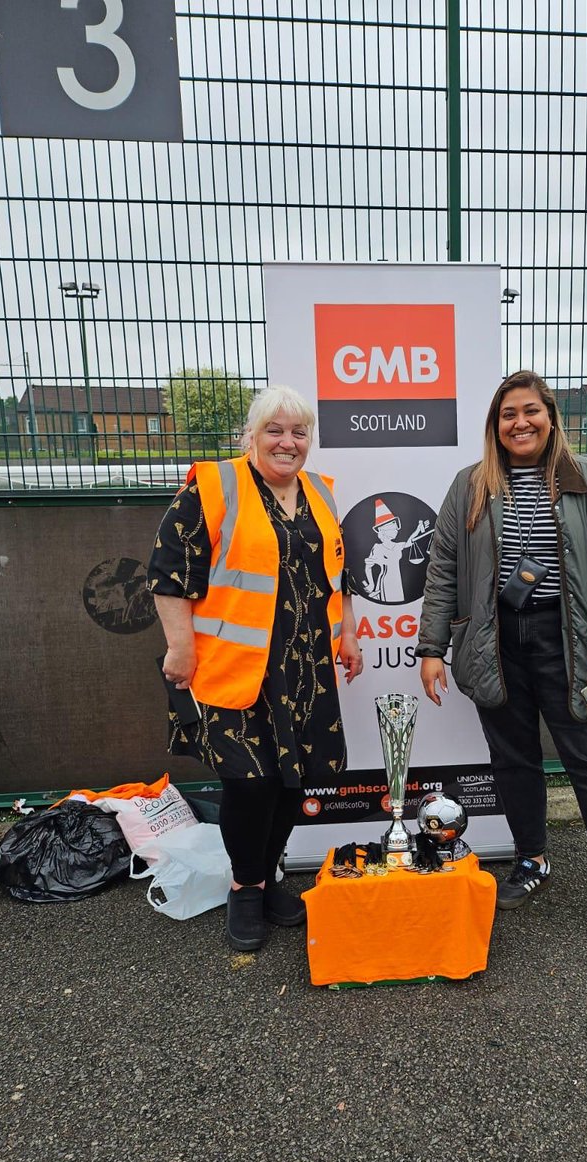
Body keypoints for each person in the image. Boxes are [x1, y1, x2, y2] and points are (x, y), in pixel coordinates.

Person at [415, 370, 587, 950]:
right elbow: (443, 569)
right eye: (508, 413)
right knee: (513, 760)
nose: (520, 422)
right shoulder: (470, 486)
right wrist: (433, 647)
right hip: (493, 640)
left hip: (568, 641)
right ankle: (532, 860)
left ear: (550, 416)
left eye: (530, 411)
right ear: (496, 425)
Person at [148, 385, 363, 952]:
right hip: (239, 668)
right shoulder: (215, 487)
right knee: (250, 783)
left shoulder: (320, 493)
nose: (287, 443)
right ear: (250, 436)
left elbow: (340, 574)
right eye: (275, 430)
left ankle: (268, 875)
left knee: (296, 781)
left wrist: (350, 636)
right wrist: (178, 647)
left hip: (308, 670)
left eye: (299, 432)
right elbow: (169, 573)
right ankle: (246, 886)